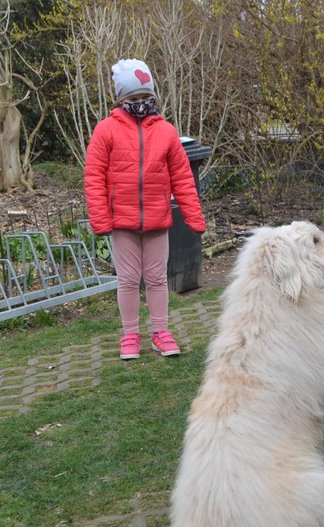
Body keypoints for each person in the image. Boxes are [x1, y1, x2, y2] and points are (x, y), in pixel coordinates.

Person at [84, 59, 206, 360]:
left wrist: (193, 216)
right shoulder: (105, 131)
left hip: (157, 219)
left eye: (145, 98)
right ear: (121, 99)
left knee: (156, 279)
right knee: (127, 279)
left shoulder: (166, 132)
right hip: (121, 221)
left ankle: (161, 333)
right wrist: (101, 219)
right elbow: (94, 177)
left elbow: (182, 178)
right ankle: (130, 335)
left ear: (152, 98)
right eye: (133, 99)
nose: (140, 104)